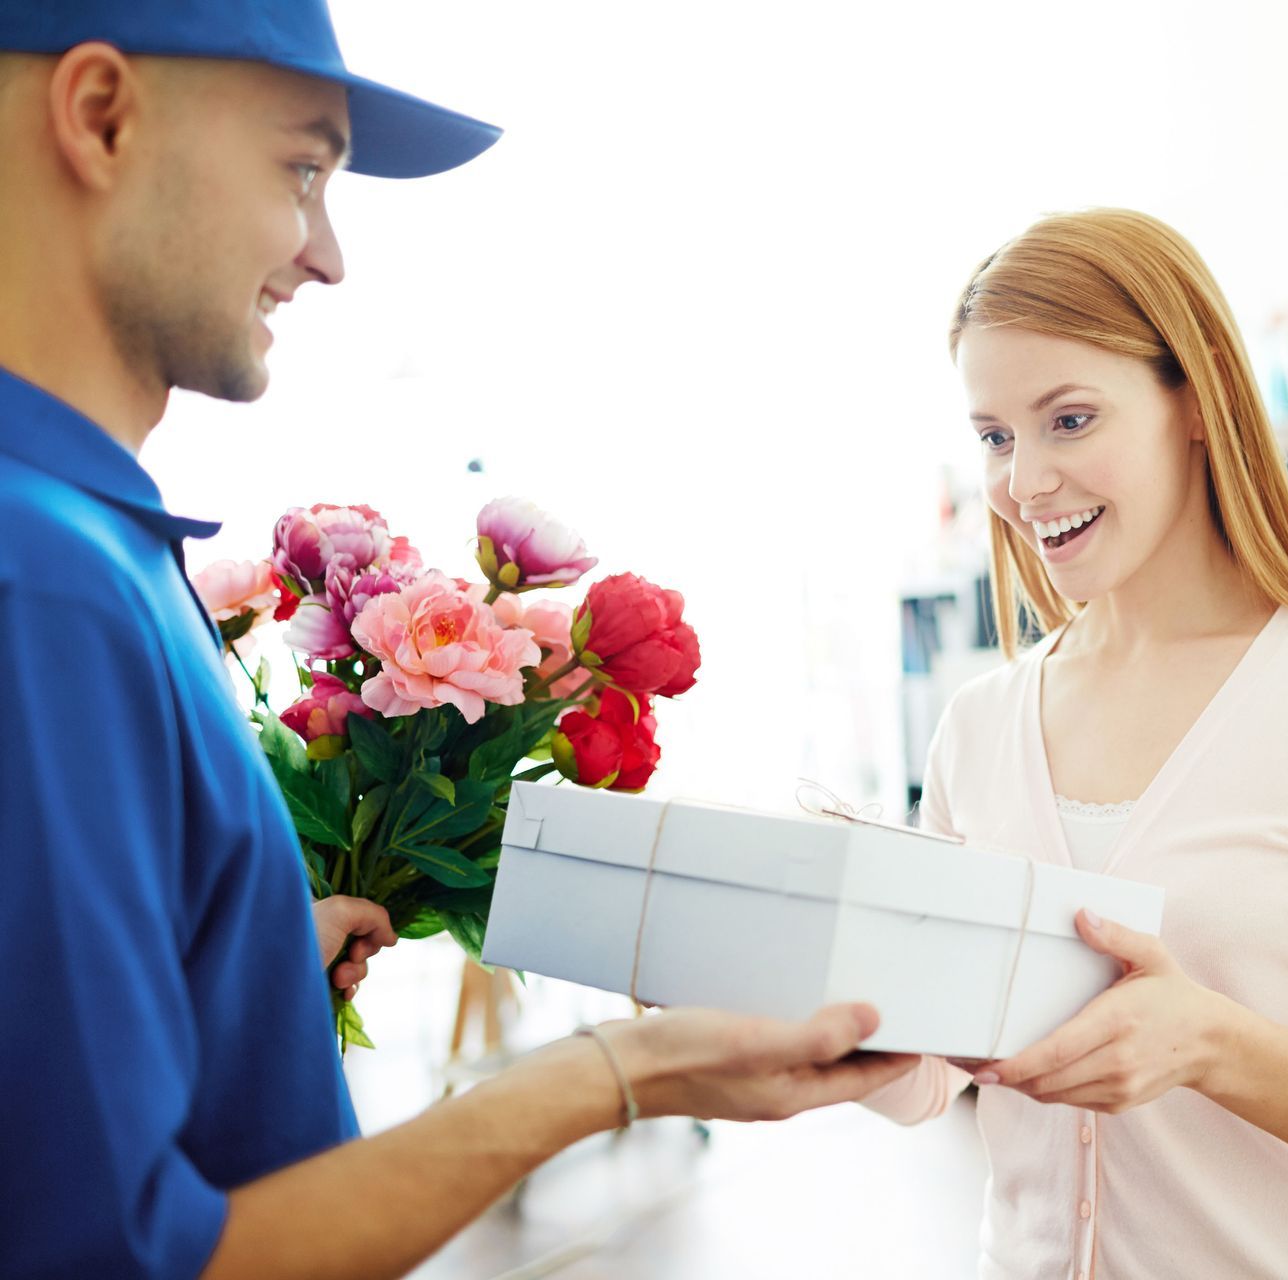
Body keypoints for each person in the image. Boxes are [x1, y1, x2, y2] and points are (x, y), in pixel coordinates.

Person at [0, 4, 912, 1277]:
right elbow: (125, 1258)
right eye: (302, 167)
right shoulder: (40, 581)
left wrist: (244, 977)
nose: (327, 255)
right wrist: (614, 1071)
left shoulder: (93, 544)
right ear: (101, 116)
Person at [862, 209, 1288, 1278]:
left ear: (1199, 395)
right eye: (995, 435)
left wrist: (1213, 1044)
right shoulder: (979, 725)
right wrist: (829, 1014)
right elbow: (932, 1079)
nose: (1023, 481)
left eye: (1070, 420)